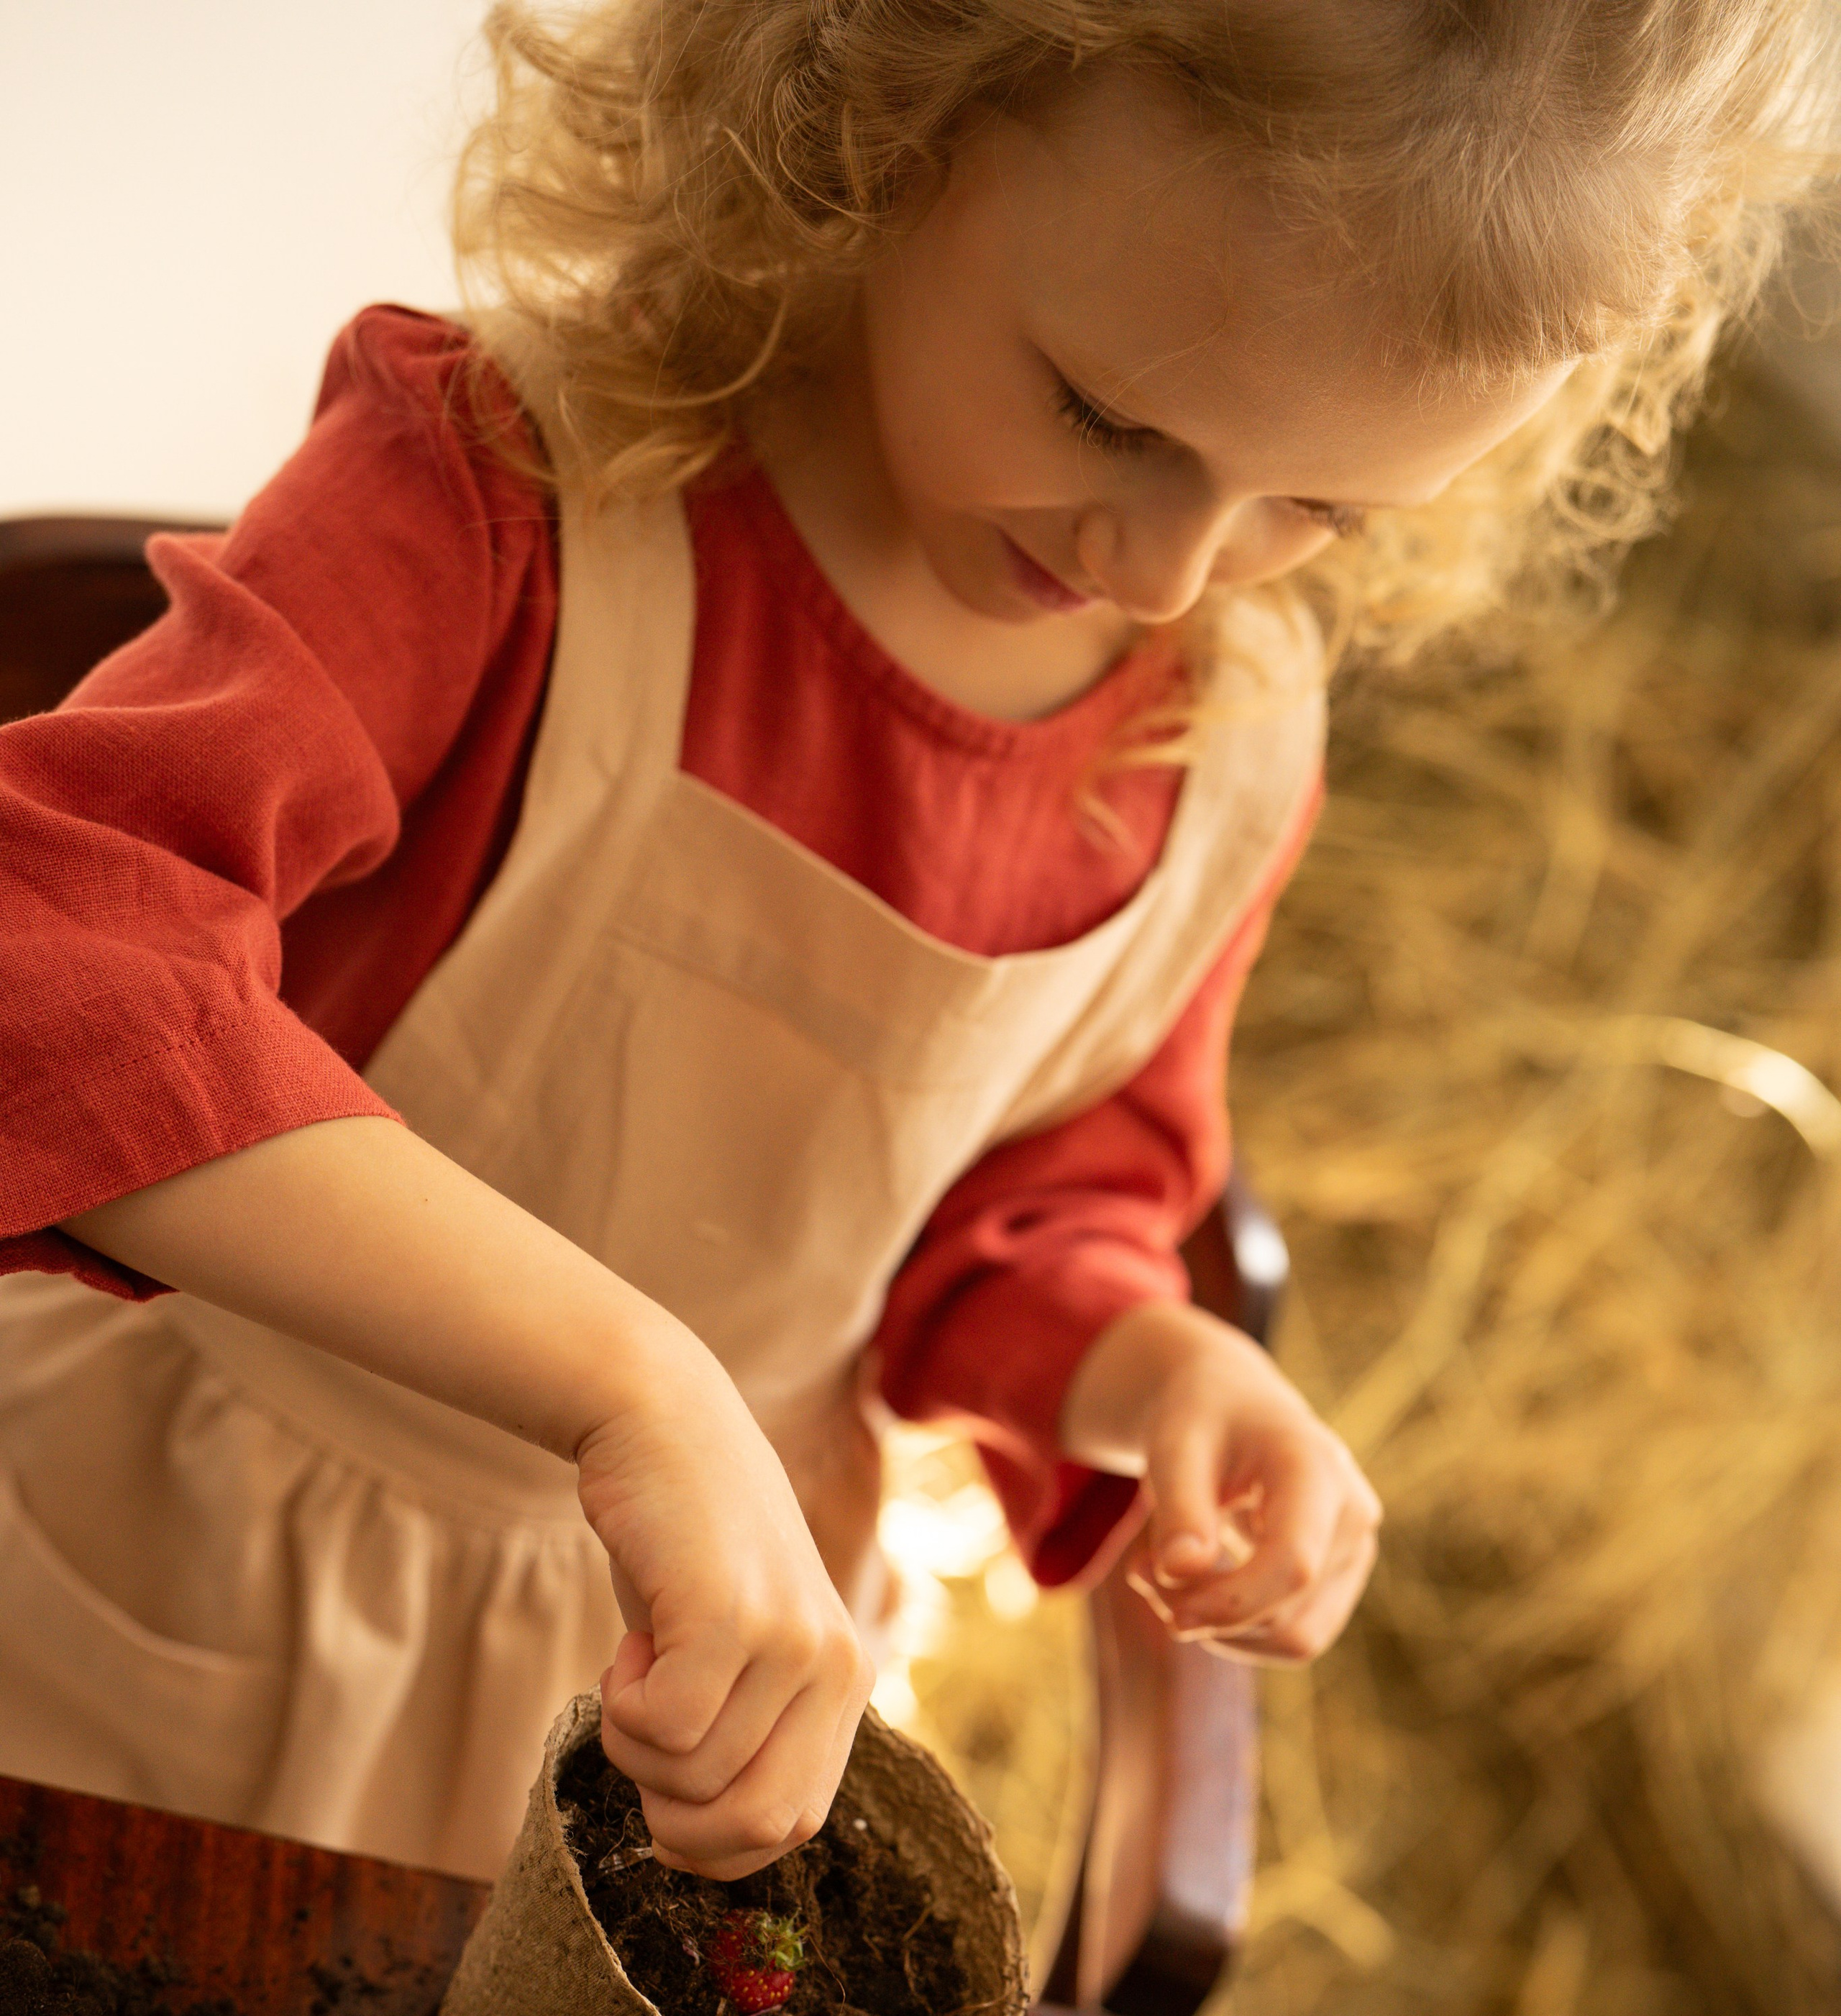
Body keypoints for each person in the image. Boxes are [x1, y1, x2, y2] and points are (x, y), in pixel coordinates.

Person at [0, 0, 1828, 1909]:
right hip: (168, 1557)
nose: (1166, 569)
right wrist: (634, 1382)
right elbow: (55, 949)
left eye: (1324, 506)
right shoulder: (516, 500)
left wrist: (1147, 1365)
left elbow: (1023, 1204)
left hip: (682, 1673)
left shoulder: (1212, 744)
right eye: (1111, 418)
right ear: (874, 117)